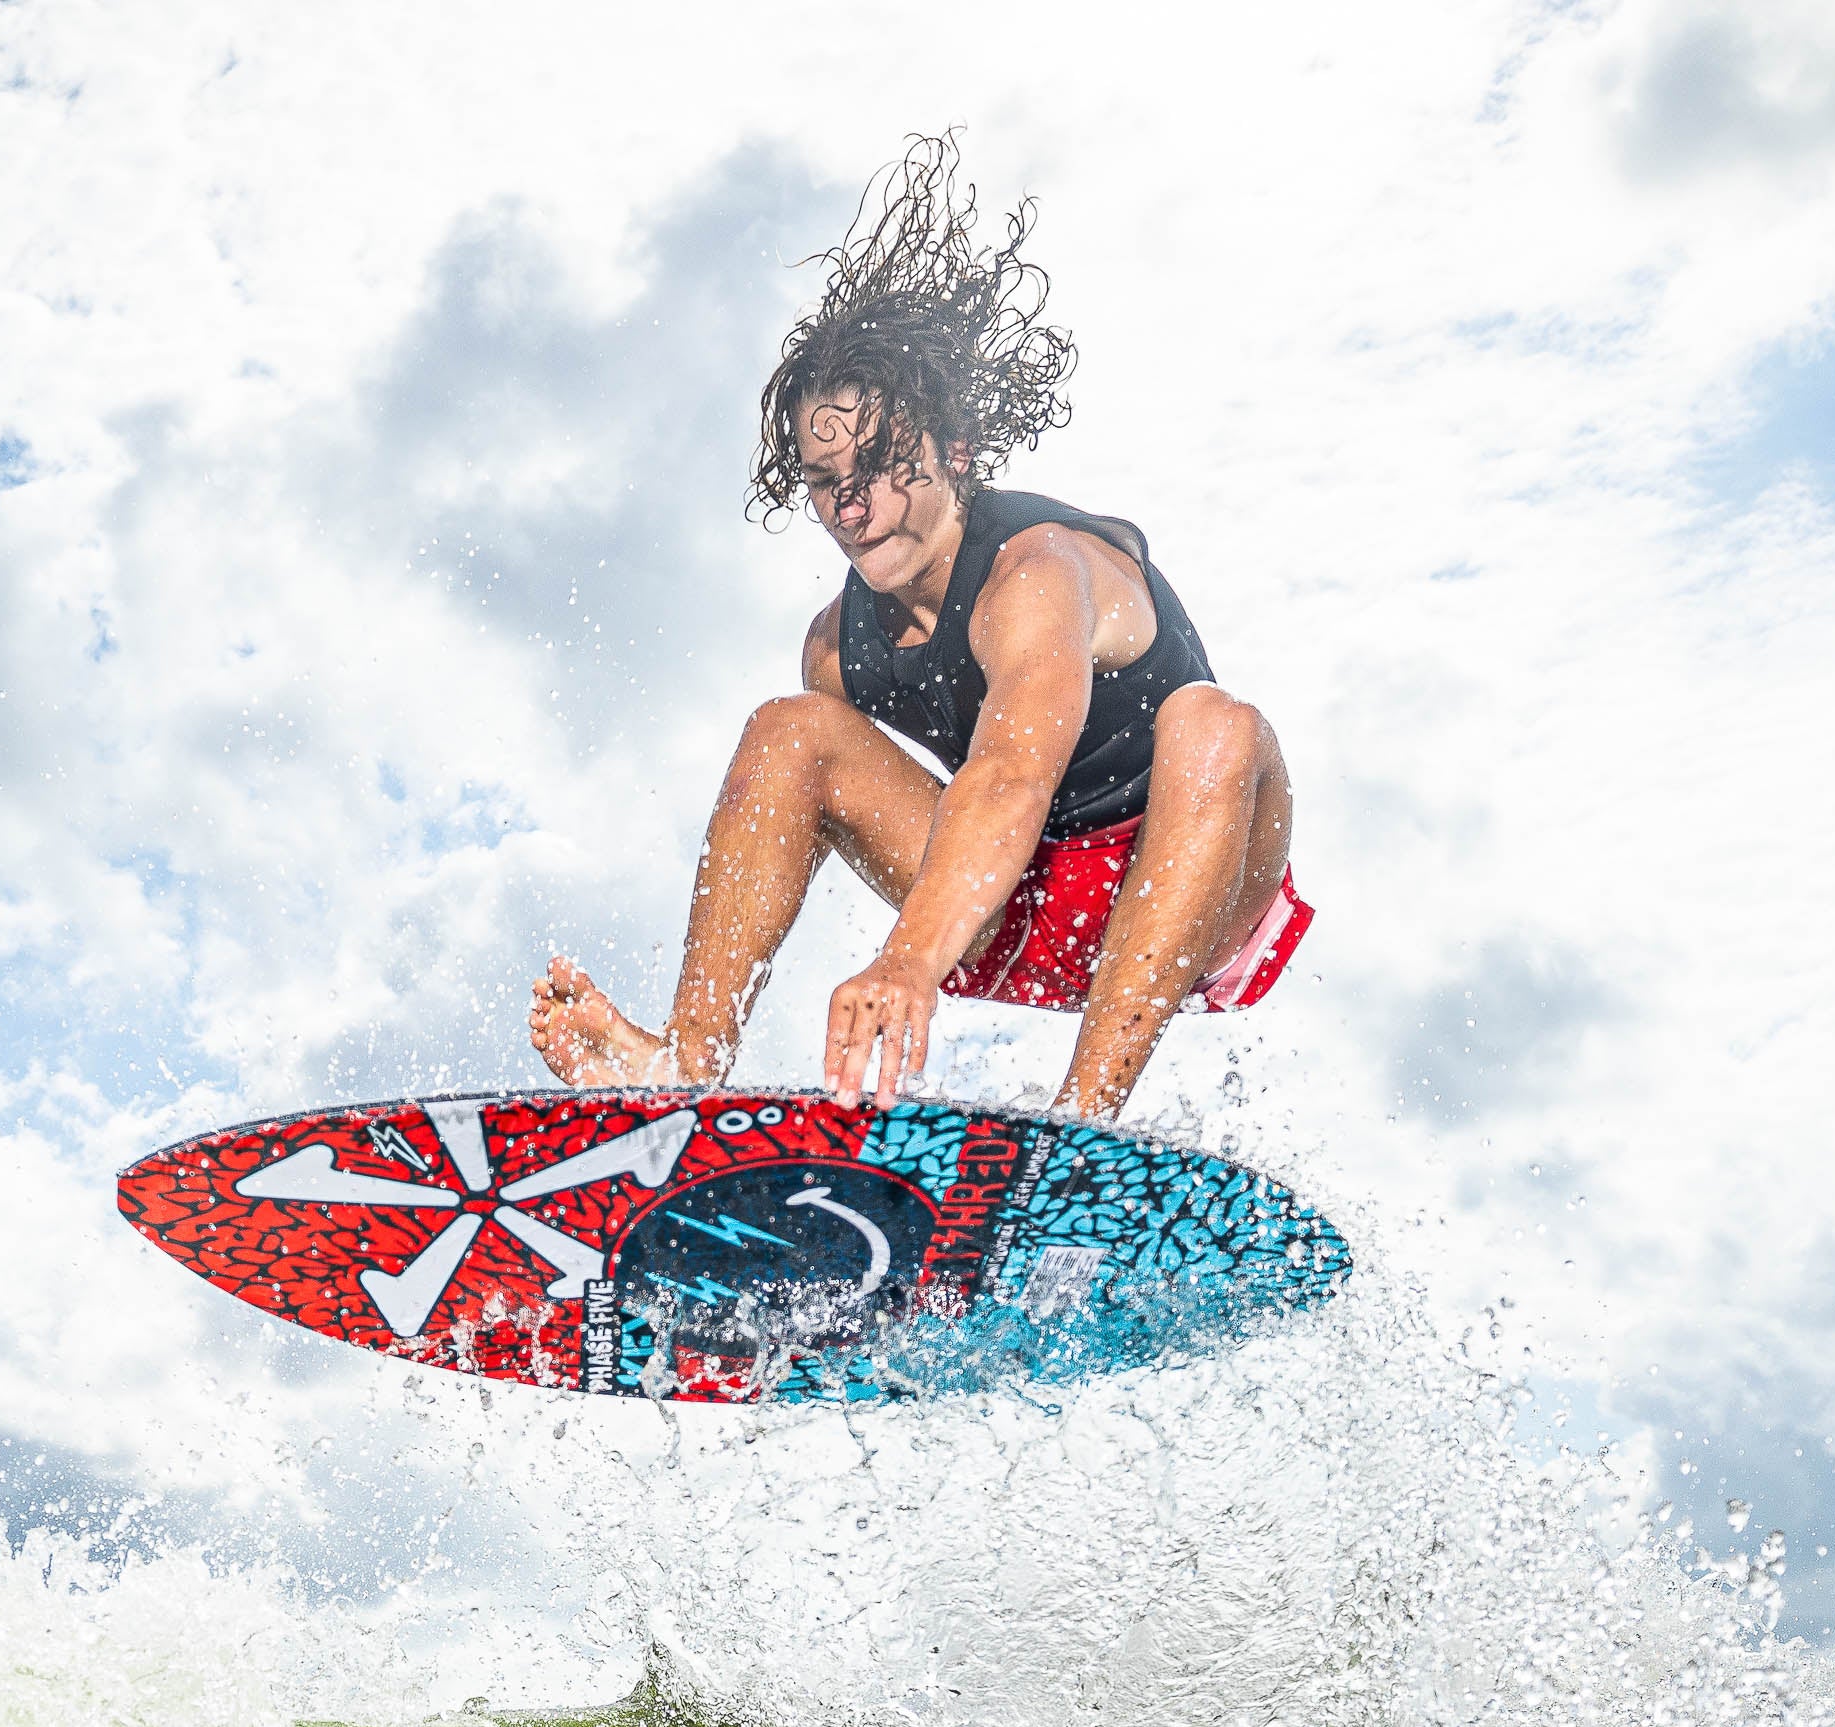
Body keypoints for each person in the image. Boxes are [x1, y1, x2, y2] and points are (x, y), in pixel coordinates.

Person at [528, 139, 1305, 1121]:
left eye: (882, 464)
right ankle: (679, 1072)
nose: (853, 507)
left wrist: (905, 961)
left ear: (954, 451)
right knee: (786, 733)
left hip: (1192, 898)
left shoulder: (1037, 569)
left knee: (1215, 724)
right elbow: (821, 821)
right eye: (823, 484)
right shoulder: (833, 650)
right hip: (1022, 913)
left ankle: (1079, 1130)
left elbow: (1011, 772)